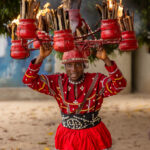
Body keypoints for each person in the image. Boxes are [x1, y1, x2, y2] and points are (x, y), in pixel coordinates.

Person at [22, 43, 127, 150]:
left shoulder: (96, 80)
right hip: (67, 137)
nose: (73, 69)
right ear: (65, 66)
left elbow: (119, 85)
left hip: (93, 135)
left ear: (83, 65)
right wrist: (41, 57)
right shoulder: (58, 81)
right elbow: (29, 80)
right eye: (69, 65)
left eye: (78, 64)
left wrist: (106, 60)